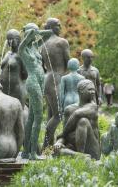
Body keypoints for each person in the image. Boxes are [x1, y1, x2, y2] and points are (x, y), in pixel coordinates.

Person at [18, 23, 52, 160]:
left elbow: (49, 33)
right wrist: (30, 31)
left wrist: (37, 31)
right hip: (32, 83)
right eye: (32, 32)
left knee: (32, 118)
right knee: (38, 117)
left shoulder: (35, 47)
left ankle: (26, 151)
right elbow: (26, 39)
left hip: (40, 82)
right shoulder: (23, 48)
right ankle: (33, 153)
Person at [41, 18, 70, 149]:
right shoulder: (62, 42)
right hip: (58, 79)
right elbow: (68, 63)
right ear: (52, 27)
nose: (60, 28)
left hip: (46, 79)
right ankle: (46, 144)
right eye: (58, 25)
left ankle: (48, 147)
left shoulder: (42, 44)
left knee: (51, 114)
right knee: (59, 114)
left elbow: (41, 66)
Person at [54, 79, 100, 160]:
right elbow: (66, 134)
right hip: (73, 147)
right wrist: (59, 142)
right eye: (90, 89)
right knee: (56, 150)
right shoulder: (69, 109)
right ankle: (79, 156)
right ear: (81, 91)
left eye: (93, 89)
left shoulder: (93, 107)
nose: (93, 92)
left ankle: (79, 155)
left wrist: (61, 135)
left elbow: (77, 114)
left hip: (92, 150)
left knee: (83, 121)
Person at [0, 29, 28, 108]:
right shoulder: (7, 53)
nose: (9, 41)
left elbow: (26, 74)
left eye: (11, 39)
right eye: (8, 39)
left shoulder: (21, 54)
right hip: (3, 90)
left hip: (16, 90)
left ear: (18, 40)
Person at [59, 58, 85, 127]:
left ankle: (65, 136)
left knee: (66, 120)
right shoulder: (82, 78)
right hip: (78, 99)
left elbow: (61, 93)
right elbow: (83, 92)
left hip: (68, 98)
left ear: (68, 66)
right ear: (78, 66)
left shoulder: (64, 78)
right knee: (77, 120)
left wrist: (61, 106)